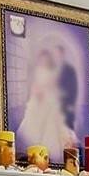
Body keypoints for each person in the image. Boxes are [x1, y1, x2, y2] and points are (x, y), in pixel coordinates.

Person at [15, 30, 80, 159]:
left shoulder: (60, 71)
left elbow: (55, 87)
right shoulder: (39, 71)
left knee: (54, 119)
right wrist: (37, 91)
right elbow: (35, 86)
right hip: (38, 100)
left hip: (52, 100)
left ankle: (57, 146)